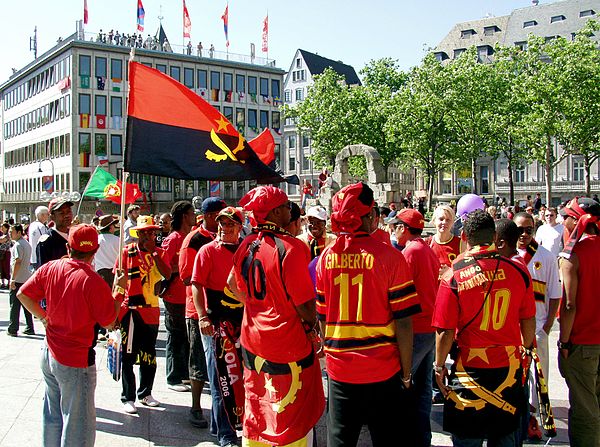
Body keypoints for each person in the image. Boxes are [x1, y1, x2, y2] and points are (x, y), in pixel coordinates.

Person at [316, 182, 421, 447]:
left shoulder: (326, 257)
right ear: (370, 215)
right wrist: (407, 375)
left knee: (340, 440)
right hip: (382, 370)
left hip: (340, 369)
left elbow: (322, 317)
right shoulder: (391, 258)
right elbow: (404, 323)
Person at [230, 185, 325, 446]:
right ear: (274, 212)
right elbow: (305, 307)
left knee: (257, 405)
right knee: (292, 414)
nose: (289, 210)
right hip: (287, 343)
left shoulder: (246, 243)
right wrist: (317, 329)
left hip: (253, 340)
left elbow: (231, 284)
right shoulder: (292, 248)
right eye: (285, 206)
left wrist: (254, 305)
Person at [433, 209, 536, 447]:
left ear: (465, 238)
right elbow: (528, 319)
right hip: (508, 370)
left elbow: (445, 331)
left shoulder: (453, 275)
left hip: (469, 371)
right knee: (506, 438)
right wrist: (527, 350)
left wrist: (438, 366)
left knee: (467, 439)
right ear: (493, 236)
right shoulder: (519, 271)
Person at [17, 224, 124, 447]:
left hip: (49, 352)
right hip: (75, 359)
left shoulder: (51, 268)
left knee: (53, 415)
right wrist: (119, 291)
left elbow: (23, 294)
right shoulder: (92, 280)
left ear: (68, 247)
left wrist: (44, 318)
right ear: (95, 250)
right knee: (78, 426)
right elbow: (109, 321)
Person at [192, 206, 245, 447]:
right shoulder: (207, 251)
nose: (225, 227)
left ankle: (221, 425)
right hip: (216, 324)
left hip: (243, 323)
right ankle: (226, 434)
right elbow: (196, 285)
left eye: (231, 224)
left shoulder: (247, 250)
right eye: (222, 223)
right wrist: (202, 316)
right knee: (220, 378)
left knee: (240, 378)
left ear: (240, 227)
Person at [388, 208, 440, 447]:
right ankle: (421, 438)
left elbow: (400, 294)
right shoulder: (426, 250)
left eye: (395, 226)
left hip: (416, 329)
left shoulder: (409, 252)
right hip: (429, 327)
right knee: (423, 389)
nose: (392, 230)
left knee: (403, 384)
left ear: (403, 228)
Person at [179, 197, 227, 428]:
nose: (225, 222)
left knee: (223, 362)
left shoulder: (228, 238)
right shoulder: (193, 240)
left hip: (225, 310)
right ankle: (196, 407)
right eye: (221, 217)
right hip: (199, 311)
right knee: (199, 360)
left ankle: (225, 408)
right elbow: (186, 276)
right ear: (209, 216)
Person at [118, 216, 172, 414]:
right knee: (128, 356)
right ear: (138, 233)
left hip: (151, 311)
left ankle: (146, 393)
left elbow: (167, 274)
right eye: (145, 232)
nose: (149, 235)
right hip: (130, 311)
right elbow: (118, 281)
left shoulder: (161, 253)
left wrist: (154, 254)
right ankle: (128, 396)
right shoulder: (125, 252)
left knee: (149, 356)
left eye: (152, 232)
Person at [557, 197, 600, 447]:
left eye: (567, 216)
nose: (564, 221)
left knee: (585, 409)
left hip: (583, 342)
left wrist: (564, 341)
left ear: (578, 220)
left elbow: (570, 305)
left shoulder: (573, 256)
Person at [161, 202, 197, 392]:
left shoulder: (189, 237)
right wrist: (184, 268)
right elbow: (163, 268)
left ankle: (183, 374)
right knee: (175, 337)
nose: (194, 216)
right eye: (192, 213)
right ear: (184, 216)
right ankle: (173, 377)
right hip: (174, 296)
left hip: (187, 297)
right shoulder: (173, 239)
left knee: (185, 337)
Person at [7, 224, 34, 336]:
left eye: (12, 231)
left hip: (18, 279)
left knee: (14, 305)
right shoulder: (26, 244)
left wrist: (13, 279)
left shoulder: (18, 245)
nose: (10, 234)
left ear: (19, 232)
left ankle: (13, 328)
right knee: (26, 305)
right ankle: (30, 327)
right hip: (26, 278)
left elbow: (18, 261)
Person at [425, 205, 462, 274]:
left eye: (448, 220)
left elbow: (466, 270)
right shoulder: (427, 243)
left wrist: (450, 271)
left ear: (452, 223)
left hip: (451, 284)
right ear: (434, 221)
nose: (444, 222)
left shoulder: (460, 244)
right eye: (441, 219)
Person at [37, 198, 74, 267]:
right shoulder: (46, 241)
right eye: (62, 213)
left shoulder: (75, 236)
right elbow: (43, 271)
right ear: (52, 216)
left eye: (69, 211)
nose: (67, 215)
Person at [95, 214, 120, 287]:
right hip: (115, 274)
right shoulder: (118, 240)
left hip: (99, 274)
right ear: (111, 227)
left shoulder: (95, 240)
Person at [0, 223, 11, 289]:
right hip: (1, 253)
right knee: (1, 268)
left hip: (6, 253)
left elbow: (2, 240)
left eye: (3, 227)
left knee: (6, 267)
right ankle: (3, 282)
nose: (1, 228)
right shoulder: (2, 235)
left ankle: (8, 282)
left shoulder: (8, 235)